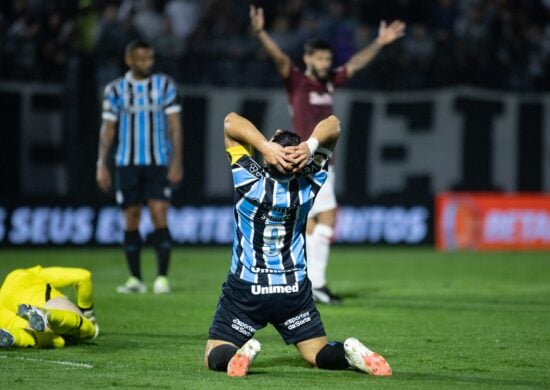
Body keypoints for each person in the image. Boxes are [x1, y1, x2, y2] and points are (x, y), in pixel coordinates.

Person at [204, 112, 392, 377]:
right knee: (317, 353)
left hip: (247, 288)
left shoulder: (248, 181)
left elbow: (231, 122)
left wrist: (265, 147)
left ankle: (236, 356)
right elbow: (334, 125)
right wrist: (310, 146)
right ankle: (348, 354)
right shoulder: (309, 183)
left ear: (271, 156)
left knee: (214, 351)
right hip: (293, 289)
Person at [250, 5, 406, 304]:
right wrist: (260, 33)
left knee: (309, 222)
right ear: (307, 58)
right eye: (319, 58)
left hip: (320, 160)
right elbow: (280, 58)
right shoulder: (297, 81)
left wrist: (380, 42)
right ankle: (316, 283)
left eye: (328, 58)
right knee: (328, 218)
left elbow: (357, 63)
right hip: (308, 159)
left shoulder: (330, 81)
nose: (325, 63)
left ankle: (304, 282)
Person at [96, 40, 184, 294]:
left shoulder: (164, 85)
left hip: (157, 162)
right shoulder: (115, 90)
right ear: (129, 60)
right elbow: (108, 129)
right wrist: (102, 163)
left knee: (159, 214)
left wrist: (177, 161)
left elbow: (175, 126)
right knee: (131, 218)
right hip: (127, 163)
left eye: (150, 59)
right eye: (142, 59)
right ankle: (135, 279)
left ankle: (162, 278)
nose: (147, 63)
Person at [0, 266, 98, 348]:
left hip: (19, 323)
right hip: (45, 301)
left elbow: (25, 325)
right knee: (90, 330)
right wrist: (87, 312)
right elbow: (83, 276)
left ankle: (15, 337)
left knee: (57, 341)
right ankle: (48, 315)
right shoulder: (18, 275)